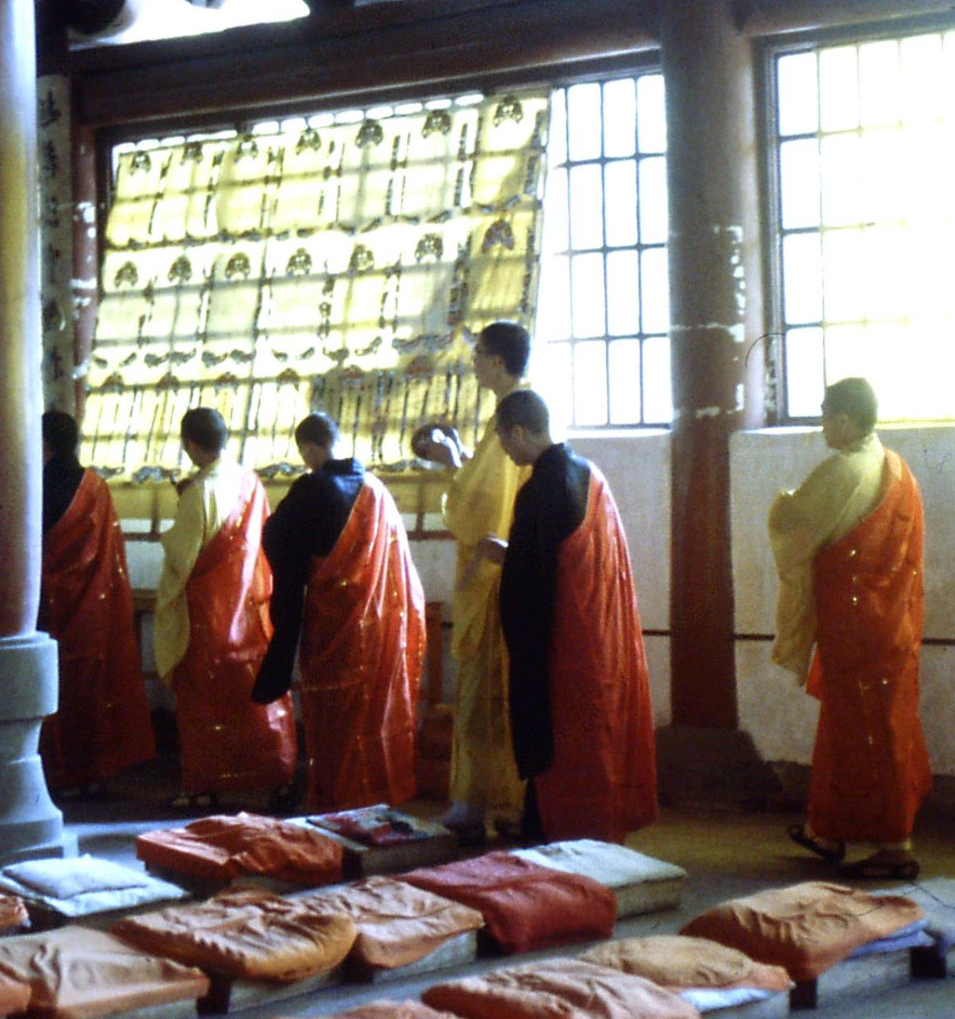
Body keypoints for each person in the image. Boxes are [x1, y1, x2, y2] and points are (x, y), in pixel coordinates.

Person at [769, 377, 929, 880]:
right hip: (890, 621)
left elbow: (794, 524)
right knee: (859, 725)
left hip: (856, 624)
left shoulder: (844, 471)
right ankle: (827, 831)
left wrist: (783, 504)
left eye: (825, 416)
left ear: (845, 419)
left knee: (867, 732)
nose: (821, 426)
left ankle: (894, 845)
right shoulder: (896, 466)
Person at [494, 388, 656, 843]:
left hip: (561, 646)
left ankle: (564, 846)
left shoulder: (540, 491)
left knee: (562, 751)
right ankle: (581, 837)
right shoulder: (588, 473)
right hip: (598, 639)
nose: (504, 451)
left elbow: (528, 586)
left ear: (520, 431)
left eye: (503, 439)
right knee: (594, 748)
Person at [252, 412, 427, 811]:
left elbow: (275, 536)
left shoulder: (312, 488)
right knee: (372, 714)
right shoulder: (376, 490)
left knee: (335, 716)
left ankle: (336, 798)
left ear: (309, 448)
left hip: (332, 624)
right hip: (378, 625)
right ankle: (376, 795)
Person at [413, 321, 534, 839]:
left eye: (480, 354)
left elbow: (479, 505)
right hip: (502, 568)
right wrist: (460, 457)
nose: (473, 362)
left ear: (499, 362)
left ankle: (487, 801)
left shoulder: (515, 411)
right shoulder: (510, 413)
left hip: (496, 572)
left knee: (488, 693)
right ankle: (487, 800)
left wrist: (448, 461)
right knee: (488, 693)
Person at [156, 407, 298, 810]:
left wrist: (175, 524)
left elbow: (182, 555)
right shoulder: (249, 481)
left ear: (189, 445)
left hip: (207, 614)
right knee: (256, 695)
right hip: (249, 609)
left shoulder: (200, 491)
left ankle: (203, 784)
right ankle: (278, 775)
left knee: (203, 702)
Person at [37, 410, 156, 797]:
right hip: (91, 608)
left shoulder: (35, 486)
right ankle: (92, 773)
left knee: (52, 690)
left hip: (47, 606)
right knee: (89, 691)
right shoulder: (95, 486)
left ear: (47, 445)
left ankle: (58, 775)